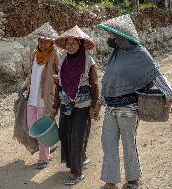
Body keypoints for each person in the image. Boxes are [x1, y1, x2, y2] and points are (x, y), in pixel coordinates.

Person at [92, 15, 172, 189]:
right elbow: (108, 82)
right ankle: (110, 180)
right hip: (110, 108)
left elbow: (155, 74)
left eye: (111, 35)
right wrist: (99, 104)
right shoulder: (115, 55)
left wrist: (170, 94)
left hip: (128, 108)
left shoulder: (139, 53)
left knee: (129, 144)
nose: (109, 38)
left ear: (121, 36)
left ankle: (132, 180)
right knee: (108, 144)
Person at [51, 25, 99, 185]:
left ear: (80, 45)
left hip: (82, 104)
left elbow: (95, 85)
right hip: (66, 102)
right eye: (68, 43)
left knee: (77, 136)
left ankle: (76, 173)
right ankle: (81, 158)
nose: (70, 46)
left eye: (73, 43)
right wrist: (55, 105)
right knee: (64, 134)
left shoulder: (88, 61)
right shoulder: (63, 59)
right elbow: (59, 83)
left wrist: (94, 107)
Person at [21, 22, 60, 169]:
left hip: (45, 98)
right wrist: (24, 86)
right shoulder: (34, 54)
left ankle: (44, 158)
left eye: (45, 41)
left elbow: (61, 71)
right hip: (32, 96)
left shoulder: (55, 55)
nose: (42, 43)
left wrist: (57, 80)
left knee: (41, 128)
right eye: (40, 40)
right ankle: (50, 144)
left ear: (51, 42)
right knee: (31, 126)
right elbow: (31, 74)